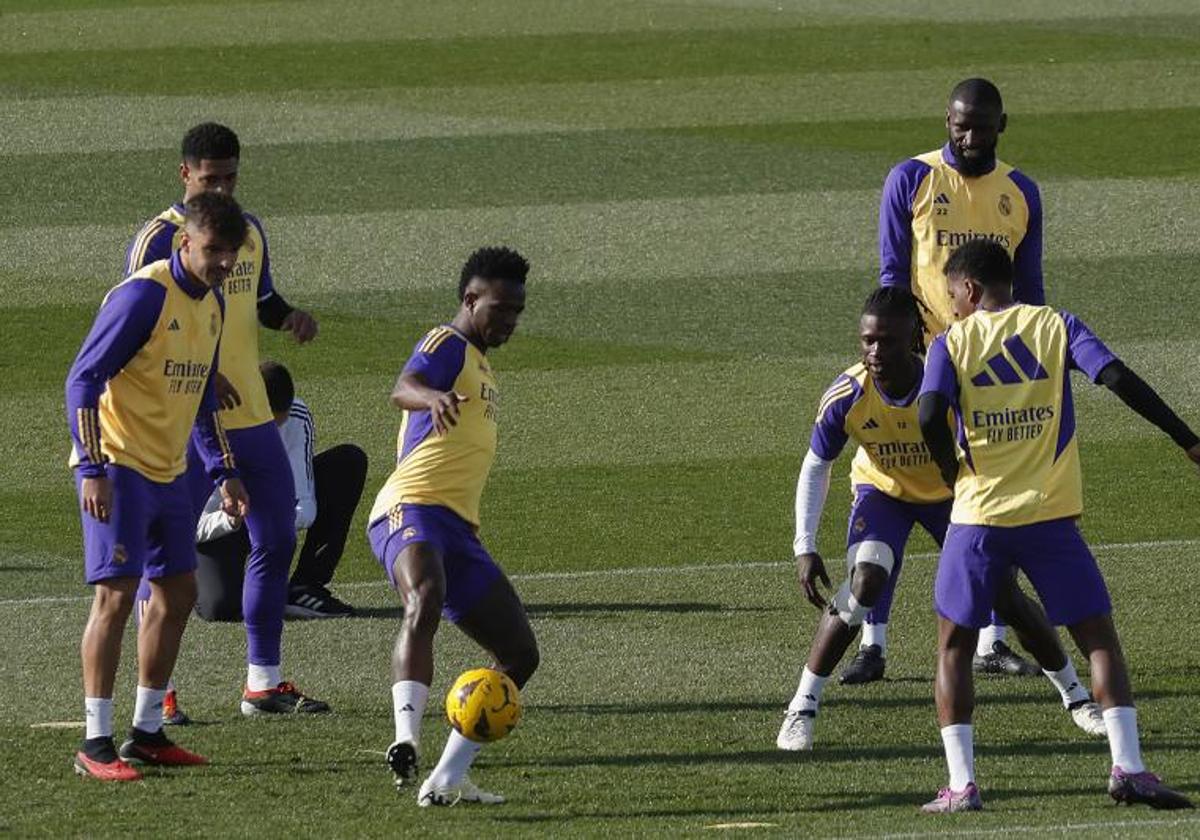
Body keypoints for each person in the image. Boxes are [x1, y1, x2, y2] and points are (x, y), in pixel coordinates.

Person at [917, 239, 1198, 812]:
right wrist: (1187, 440)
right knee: (1098, 640)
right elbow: (1117, 378)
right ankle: (1130, 768)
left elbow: (926, 413)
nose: (950, 306)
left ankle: (962, 786)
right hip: (1050, 516)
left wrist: (953, 472)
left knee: (954, 647)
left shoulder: (953, 342)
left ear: (969, 290)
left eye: (951, 296)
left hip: (978, 518)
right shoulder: (1058, 325)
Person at [777, 287, 1103, 752]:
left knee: (1004, 596)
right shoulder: (848, 393)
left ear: (913, 337)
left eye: (886, 341)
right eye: (867, 340)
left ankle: (1076, 697)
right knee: (865, 583)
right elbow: (816, 464)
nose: (874, 352)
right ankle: (801, 708)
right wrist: (804, 545)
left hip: (953, 494)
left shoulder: (947, 376)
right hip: (883, 494)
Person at [126, 122, 327, 716]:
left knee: (276, 535)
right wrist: (190, 367)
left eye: (230, 177)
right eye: (210, 178)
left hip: (252, 415)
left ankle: (263, 682)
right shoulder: (157, 239)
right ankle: (157, 697)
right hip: (182, 422)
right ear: (184, 174)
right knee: (165, 557)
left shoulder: (248, 232)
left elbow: (259, 301)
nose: (221, 188)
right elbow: (132, 326)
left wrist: (290, 316)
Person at [66, 192, 250, 781]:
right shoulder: (144, 295)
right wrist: (92, 468)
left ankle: (146, 732)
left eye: (232, 252)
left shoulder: (213, 306)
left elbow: (199, 400)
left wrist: (223, 472)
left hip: (169, 472)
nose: (223, 262)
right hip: (118, 467)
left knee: (178, 595)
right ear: (186, 242)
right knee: (115, 598)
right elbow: (83, 378)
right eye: (213, 250)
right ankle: (95, 742)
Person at [877, 77, 1044, 677]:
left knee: (993, 489)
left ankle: (993, 639)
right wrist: (903, 358)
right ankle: (873, 637)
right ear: (946, 121)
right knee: (898, 477)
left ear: (1004, 124)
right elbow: (894, 274)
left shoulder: (1020, 192)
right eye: (958, 124)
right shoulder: (912, 179)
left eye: (980, 125)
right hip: (929, 360)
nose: (968, 136)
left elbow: (1033, 290)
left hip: (997, 369)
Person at [366, 246, 538, 806]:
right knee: (426, 595)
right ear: (470, 299)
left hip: (460, 530)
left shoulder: (483, 366)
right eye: (500, 308)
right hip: (409, 507)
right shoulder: (447, 343)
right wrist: (432, 396)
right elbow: (403, 385)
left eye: (517, 310)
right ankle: (405, 738)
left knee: (519, 654)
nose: (509, 320)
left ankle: (447, 776)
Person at [191, 360, 366, 622]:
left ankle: (305, 586)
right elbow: (189, 524)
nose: (270, 439)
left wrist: (265, 517)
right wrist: (230, 520)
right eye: (265, 427)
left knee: (347, 462)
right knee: (219, 608)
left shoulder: (295, 416)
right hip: (221, 523)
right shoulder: (209, 425)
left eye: (277, 427)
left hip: (262, 512)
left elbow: (304, 505)